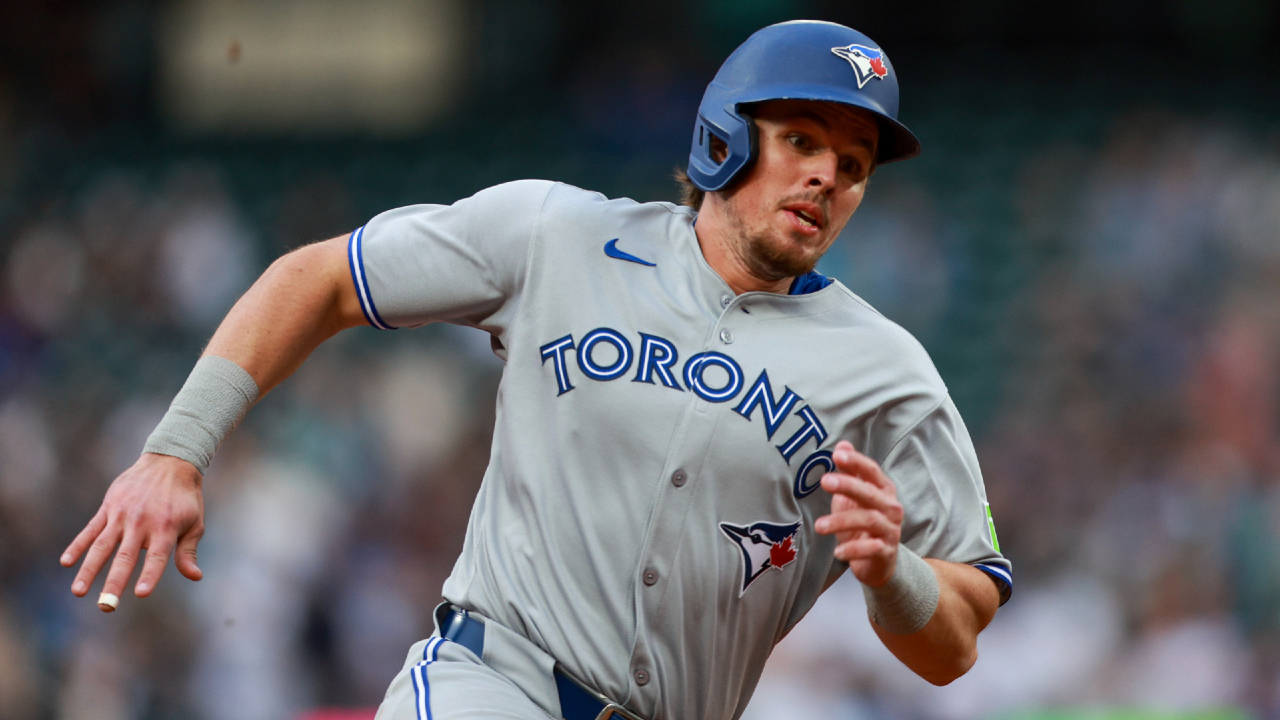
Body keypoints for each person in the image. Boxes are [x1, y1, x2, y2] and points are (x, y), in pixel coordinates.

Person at [61, 20, 1010, 720]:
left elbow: (957, 638)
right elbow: (319, 280)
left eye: (853, 164)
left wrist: (891, 575)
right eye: (801, 141)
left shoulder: (887, 369)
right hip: (490, 682)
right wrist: (176, 451)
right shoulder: (559, 236)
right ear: (724, 136)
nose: (827, 178)